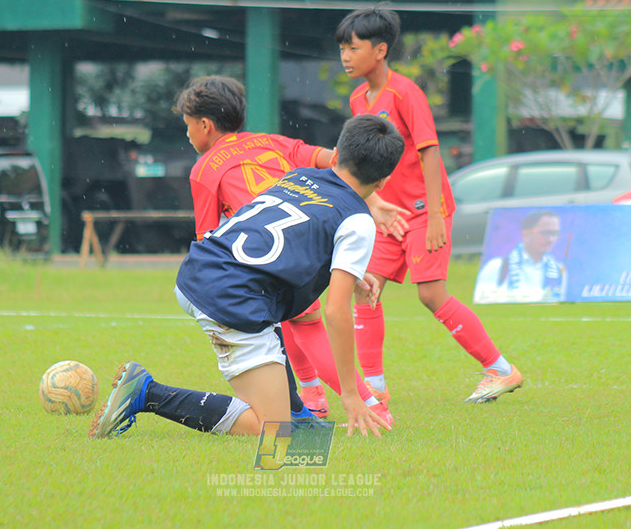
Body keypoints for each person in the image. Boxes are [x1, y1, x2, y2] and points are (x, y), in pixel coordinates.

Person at [89, 114, 405, 439]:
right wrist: (351, 395)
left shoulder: (299, 176)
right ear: (383, 181)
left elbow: (290, 239)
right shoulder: (357, 220)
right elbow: (336, 312)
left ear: (336, 155)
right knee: (274, 432)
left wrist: (351, 276)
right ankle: (146, 392)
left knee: (284, 410)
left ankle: (294, 409)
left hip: (202, 268)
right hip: (232, 298)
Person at [171, 75, 402, 424]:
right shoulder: (270, 141)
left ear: (204, 125)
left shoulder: (207, 168)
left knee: (298, 322)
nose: (187, 135)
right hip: (285, 255)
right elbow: (336, 163)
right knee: (296, 323)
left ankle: (325, 402)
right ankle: (326, 402)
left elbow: (207, 235)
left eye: (187, 126)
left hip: (247, 263)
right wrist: (374, 201)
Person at [337, 6, 524, 404]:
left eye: (353, 48)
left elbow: (429, 151)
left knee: (431, 295)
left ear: (381, 49)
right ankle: (376, 388)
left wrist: (437, 214)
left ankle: (500, 369)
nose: (345, 56)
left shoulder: (406, 93)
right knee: (365, 288)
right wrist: (376, 205)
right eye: (342, 48)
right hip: (388, 215)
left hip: (425, 212)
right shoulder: (358, 98)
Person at [474, 210, 567, 304]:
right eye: (545, 233)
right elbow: (483, 300)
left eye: (554, 234)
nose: (550, 239)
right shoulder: (497, 266)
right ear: (526, 234)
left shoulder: (559, 269)